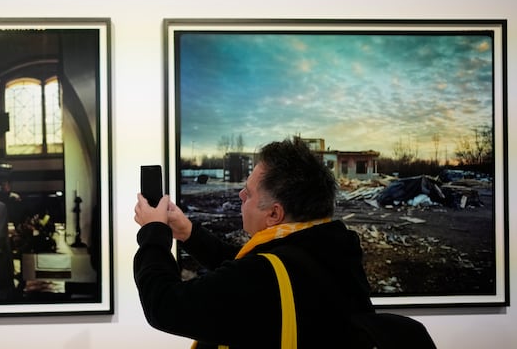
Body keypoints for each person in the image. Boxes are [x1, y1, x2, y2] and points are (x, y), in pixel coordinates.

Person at [133, 138, 375, 348]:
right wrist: (188, 233)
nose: (240, 195)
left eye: (248, 193)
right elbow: (243, 270)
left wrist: (153, 233)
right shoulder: (328, 251)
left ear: (273, 214)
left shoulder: (264, 275)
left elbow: (164, 305)